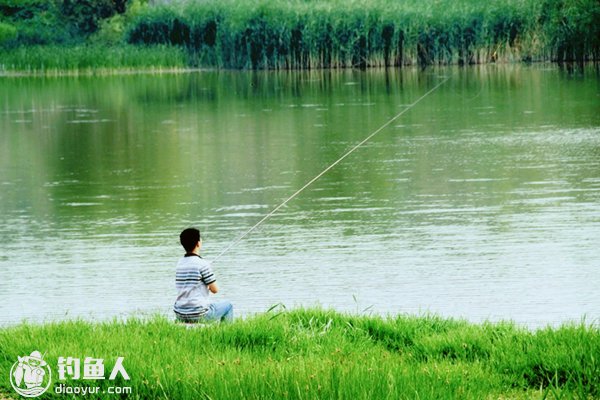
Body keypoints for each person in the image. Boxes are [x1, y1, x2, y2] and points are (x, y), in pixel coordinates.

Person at [173, 228, 233, 323]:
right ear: (198, 243)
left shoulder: (179, 263)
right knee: (228, 305)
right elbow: (215, 290)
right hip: (199, 314)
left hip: (180, 314)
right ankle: (225, 334)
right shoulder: (203, 264)